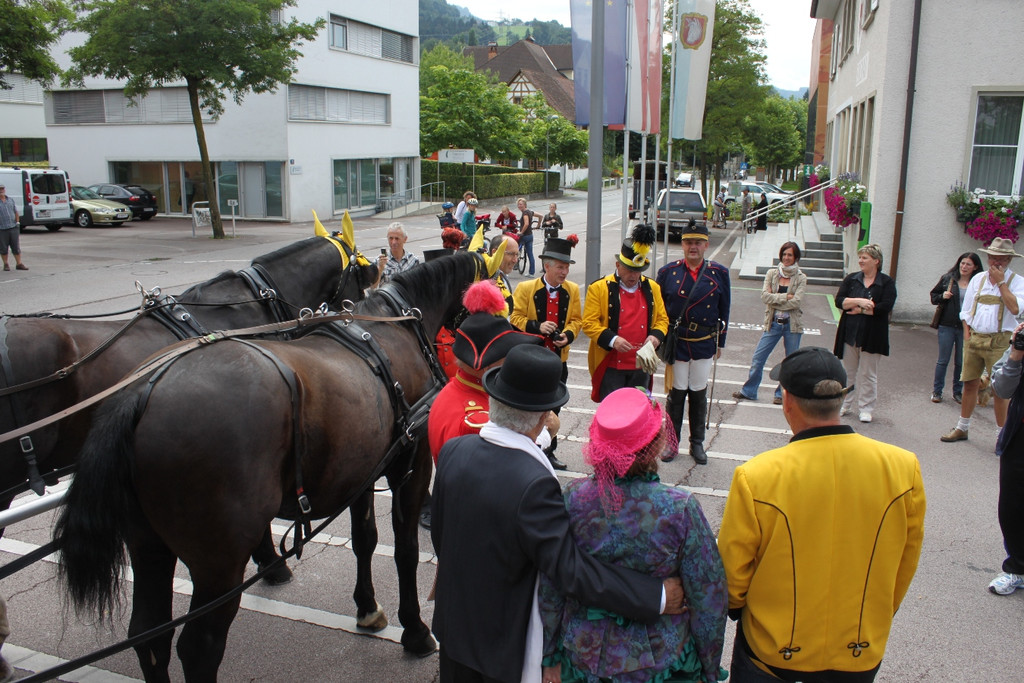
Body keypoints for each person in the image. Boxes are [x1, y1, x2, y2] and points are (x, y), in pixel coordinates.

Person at [431, 345, 686, 683]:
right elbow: (570, 570)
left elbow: (440, 534)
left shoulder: (455, 450)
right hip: (499, 644)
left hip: (453, 628)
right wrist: (656, 596)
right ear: (543, 417)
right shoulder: (534, 483)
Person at [719, 346, 925, 683]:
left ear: (787, 401)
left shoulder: (757, 476)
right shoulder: (903, 468)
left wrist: (734, 605)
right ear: (841, 399)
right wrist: (878, 615)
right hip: (858, 648)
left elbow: (734, 572)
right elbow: (906, 559)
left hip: (775, 650)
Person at [538, 387, 728, 683]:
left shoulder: (573, 498)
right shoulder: (678, 508)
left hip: (583, 654)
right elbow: (708, 598)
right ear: (656, 445)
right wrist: (710, 669)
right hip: (658, 660)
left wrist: (549, 656)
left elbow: (552, 584)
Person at [655, 220, 730, 465]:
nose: (693, 247)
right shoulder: (668, 273)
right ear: (682, 245)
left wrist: (720, 343)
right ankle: (672, 442)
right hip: (677, 342)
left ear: (706, 245)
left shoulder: (719, 273)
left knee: (698, 392)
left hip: (704, 341)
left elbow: (724, 310)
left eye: (698, 242)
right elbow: (659, 311)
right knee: (676, 393)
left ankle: (697, 443)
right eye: (688, 242)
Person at [940, 237, 1024, 442]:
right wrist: (967, 333)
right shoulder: (978, 279)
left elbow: (1015, 308)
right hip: (975, 338)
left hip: (1001, 341)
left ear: (1009, 260)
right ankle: (962, 427)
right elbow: (966, 310)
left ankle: (1001, 435)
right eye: (993, 258)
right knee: (970, 383)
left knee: (999, 389)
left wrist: (1001, 283)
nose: (996, 262)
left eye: (1001, 259)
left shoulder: (1017, 282)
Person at [511, 237, 583, 470]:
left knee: (554, 408)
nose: (565, 272)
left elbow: (576, 321)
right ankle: (526, 449)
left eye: (567, 267)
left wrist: (568, 336)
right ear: (547, 266)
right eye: (560, 267)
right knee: (528, 409)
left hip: (558, 362)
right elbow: (515, 318)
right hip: (533, 361)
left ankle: (549, 451)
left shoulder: (572, 290)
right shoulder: (526, 288)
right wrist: (537, 326)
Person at [582, 223, 668, 402]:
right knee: (612, 412)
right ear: (618, 265)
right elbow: (589, 323)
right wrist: (613, 340)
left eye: (638, 271)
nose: (633, 275)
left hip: (641, 367)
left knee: (638, 411)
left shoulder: (653, 287)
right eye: (629, 270)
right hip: (611, 366)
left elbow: (662, 319)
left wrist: (655, 337)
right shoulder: (598, 288)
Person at [733, 242, 807, 405]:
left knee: (791, 362)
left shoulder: (801, 277)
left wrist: (776, 299)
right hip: (773, 323)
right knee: (758, 358)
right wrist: (785, 297)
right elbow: (765, 297)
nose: (786, 258)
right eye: (784, 254)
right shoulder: (772, 274)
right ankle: (749, 391)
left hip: (792, 325)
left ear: (796, 257)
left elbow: (796, 302)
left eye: (790, 255)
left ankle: (781, 394)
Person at [833, 243, 897, 424]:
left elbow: (885, 306)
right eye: (860, 257)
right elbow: (840, 301)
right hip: (849, 333)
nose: (860, 260)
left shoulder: (886, 282)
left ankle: (866, 408)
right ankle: (844, 404)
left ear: (876, 261)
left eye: (865, 258)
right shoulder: (852, 279)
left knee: (869, 374)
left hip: (872, 336)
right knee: (847, 372)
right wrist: (860, 301)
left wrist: (860, 310)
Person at [987, 324, 1024, 595]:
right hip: (1019, 437)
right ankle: (1016, 568)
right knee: (1012, 506)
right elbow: (1002, 388)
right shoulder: (1019, 343)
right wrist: (1015, 354)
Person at [929, 252, 983, 403]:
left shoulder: (978, 283)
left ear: (975, 267)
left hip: (966, 327)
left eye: (968, 264)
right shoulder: (949, 279)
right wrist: (943, 296)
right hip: (947, 325)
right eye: (962, 263)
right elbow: (933, 296)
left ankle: (957, 392)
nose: (964, 267)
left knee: (961, 361)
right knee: (943, 360)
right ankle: (937, 391)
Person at [376, 221, 419, 285]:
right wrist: (380, 269)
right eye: (391, 238)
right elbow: (373, 287)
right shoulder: (379, 261)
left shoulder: (413, 260)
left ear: (405, 239)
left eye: (397, 238)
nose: (393, 242)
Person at [490, 233, 519, 313]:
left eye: (517, 254)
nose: (515, 260)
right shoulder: (486, 281)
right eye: (511, 254)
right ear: (495, 252)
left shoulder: (503, 276)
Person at [0, 184, 26, 272]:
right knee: (3, 248)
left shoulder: (10, 200)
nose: (1, 190)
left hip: (13, 227)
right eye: (0, 189)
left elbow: (15, 211)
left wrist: (17, 222)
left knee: (16, 246)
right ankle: (6, 264)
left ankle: (19, 264)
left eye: (2, 189)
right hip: (2, 229)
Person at [518, 197, 537, 275]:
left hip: (524, 236)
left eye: (521, 204)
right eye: (518, 204)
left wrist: (521, 232)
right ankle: (531, 273)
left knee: (516, 251)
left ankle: (512, 265)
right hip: (530, 235)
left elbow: (526, 224)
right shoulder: (530, 212)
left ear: (525, 205)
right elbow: (540, 216)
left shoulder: (525, 213)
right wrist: (538, 225)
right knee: (530, 254)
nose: (519, 206)